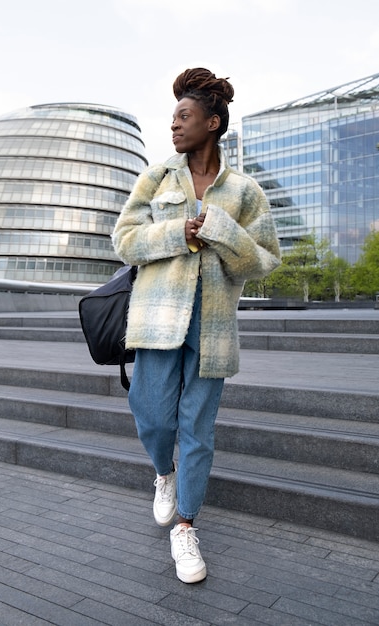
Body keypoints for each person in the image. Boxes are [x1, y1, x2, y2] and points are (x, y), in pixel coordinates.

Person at [112, 67, 281, 584]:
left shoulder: (245, 191)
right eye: (173, 117)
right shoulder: (156, 179)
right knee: (153, 418)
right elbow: (124, 240)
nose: (174, 125)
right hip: (157, 321)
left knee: (198, 432)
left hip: (211, 330)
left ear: (212, 122)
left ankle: (185, 526)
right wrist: (177, 234)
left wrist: (222, 229)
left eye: (185, 116)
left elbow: (265, 261)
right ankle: (164, 474)